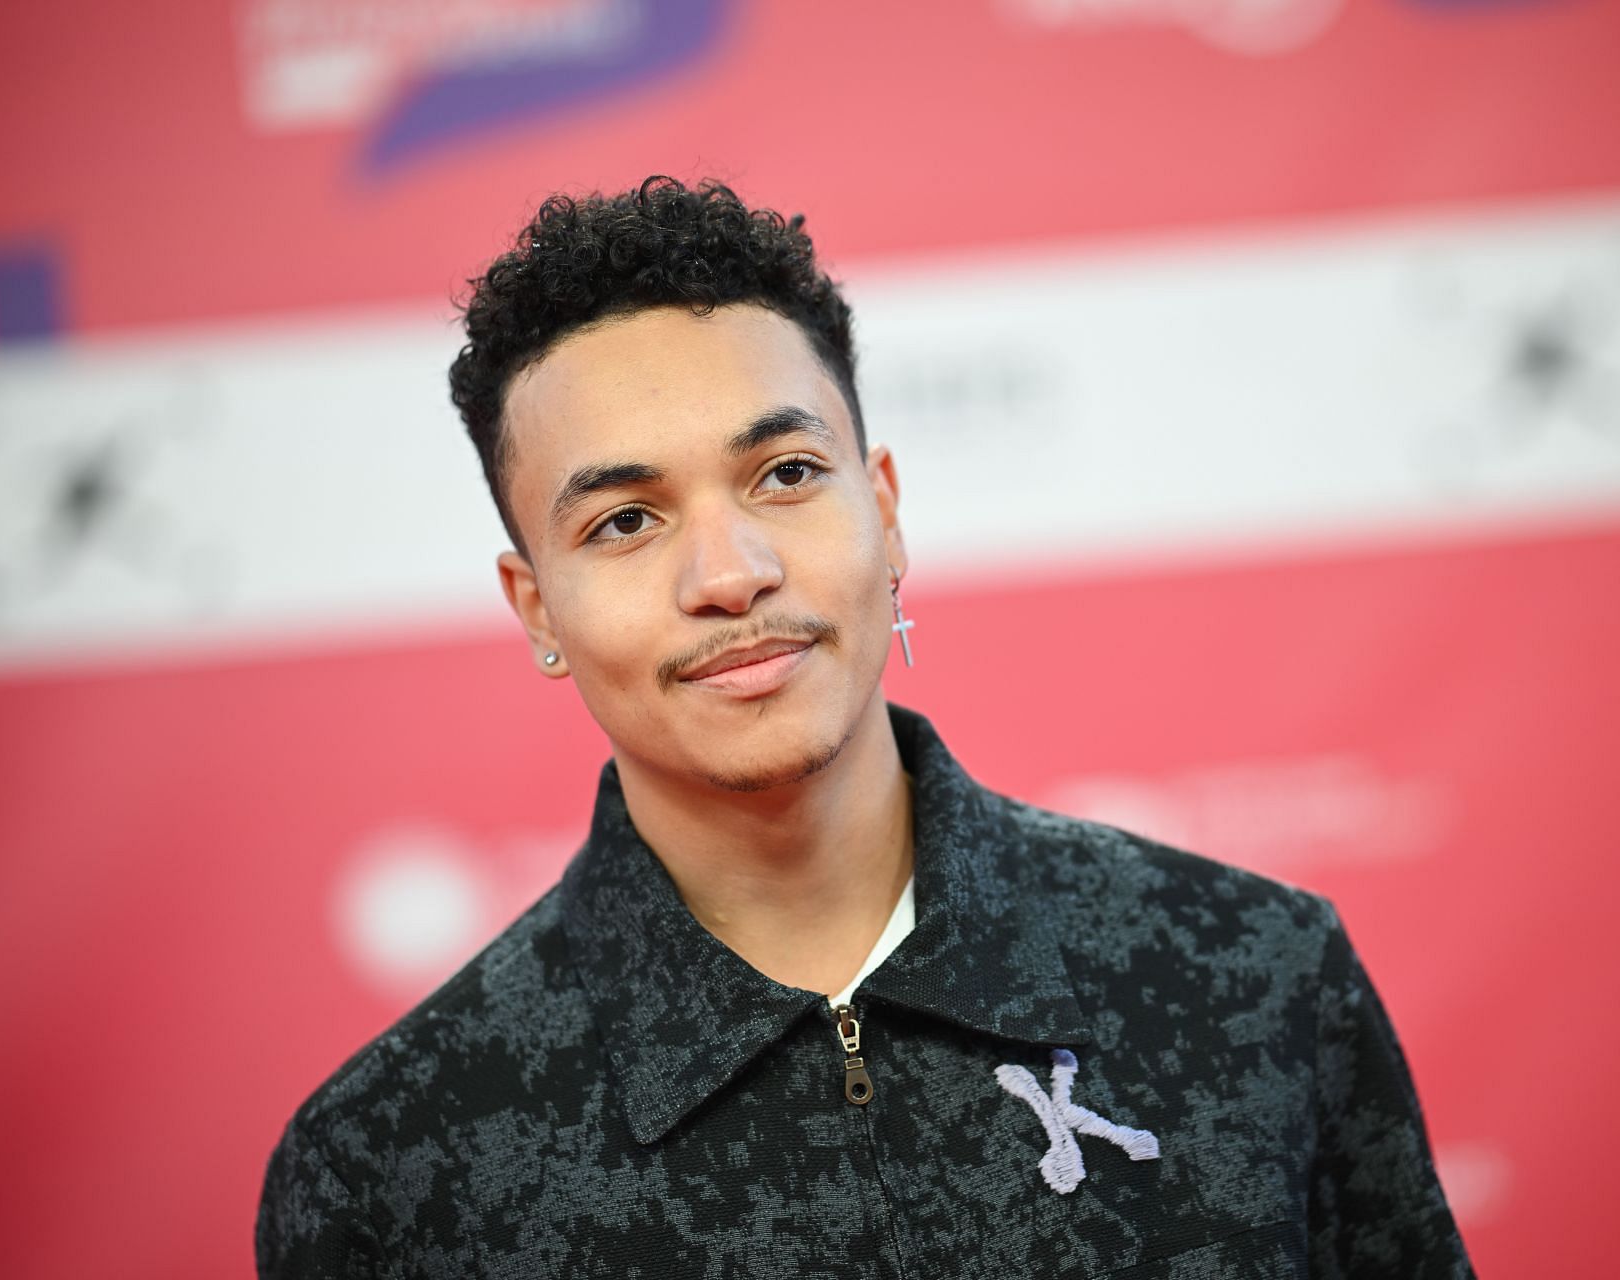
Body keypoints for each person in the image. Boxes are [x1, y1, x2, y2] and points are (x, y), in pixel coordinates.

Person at [255, 176, 1475, 1278]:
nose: (731, 575)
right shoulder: (392, 1165)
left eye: (785, 474)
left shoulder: (1254, 974)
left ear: (884, 513)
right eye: (626, 521)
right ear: (538, 609)